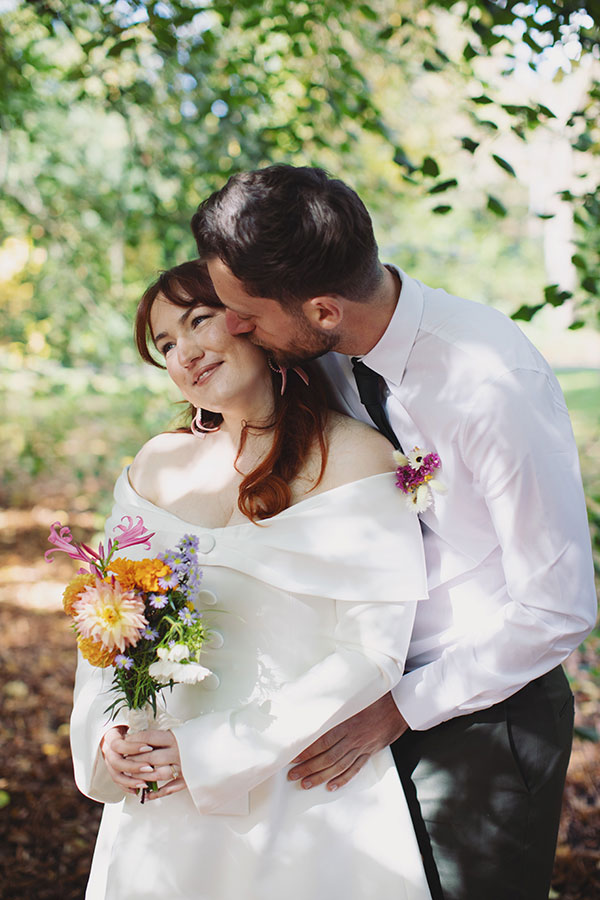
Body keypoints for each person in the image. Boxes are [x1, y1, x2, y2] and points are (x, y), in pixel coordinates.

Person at [191, 165, 598, 900]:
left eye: (245, 313)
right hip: (358, 694)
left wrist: (399, 709)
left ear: (322, 309)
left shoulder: (490, 384)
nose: (235, 327)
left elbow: (558, 606)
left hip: (481, 714)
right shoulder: (323, 357)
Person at [70, 261, 433, 900]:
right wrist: (108, 729)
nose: (184, 353)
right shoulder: (156, 466)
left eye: (198, 321)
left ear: (253, 320)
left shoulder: (357, 456)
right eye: (165, 345)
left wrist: (213, 752)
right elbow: (108, 620)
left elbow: (372, 651)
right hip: (159, 788)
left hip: (302, 785)